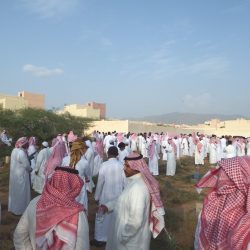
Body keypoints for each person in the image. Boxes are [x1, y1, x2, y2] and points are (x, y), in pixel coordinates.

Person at [13, 167, 89, 250]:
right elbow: (82, 246)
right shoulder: (78, 214)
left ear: (53, 181)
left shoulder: (34, 203)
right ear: (74, 187)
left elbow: (20, 235)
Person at [103, 152, 165, 250]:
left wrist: (123, 236)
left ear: (136, 168)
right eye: (124, 165)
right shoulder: (133, 182)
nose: (124, 168)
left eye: (127, 166)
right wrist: (108, 206)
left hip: (131, 242)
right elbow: (123, 199)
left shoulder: (138, 188)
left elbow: (136, 220)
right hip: (127, 238)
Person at [194, 156, 250, 249]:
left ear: (239, 182)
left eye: (227, 175)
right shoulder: (212, 203)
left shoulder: (245, 227)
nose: (220, 177)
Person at [91, 146, 126, 247]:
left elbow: (100, 182)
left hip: (105, 196)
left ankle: (100, 238)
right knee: (115, 218)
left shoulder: (104, 165)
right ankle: (113, 238)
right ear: (117, 154)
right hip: (118, 196)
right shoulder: (121, 165)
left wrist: (96, 197)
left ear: (108, 154)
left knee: (102, 218)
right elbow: (125, 182)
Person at [8, 137, 31, 215]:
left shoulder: (14, 150)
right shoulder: (21, 153)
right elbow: (27, 165)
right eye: (25, 144)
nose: (26, 146)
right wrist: (30, 169)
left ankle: (13, 208)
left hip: (14, 176)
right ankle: (20, 210)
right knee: (21, 193)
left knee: (15, 192)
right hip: (22, 176)